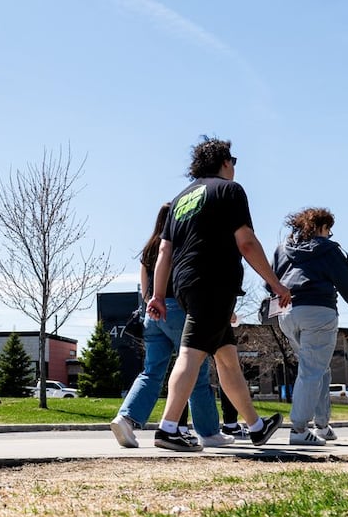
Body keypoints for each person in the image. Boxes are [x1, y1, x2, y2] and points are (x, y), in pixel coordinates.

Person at [147, 136, 289, 451]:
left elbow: (164, 252)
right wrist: (276, 284)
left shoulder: (181, 198)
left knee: (227, 358)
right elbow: (247, 242)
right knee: (190, 354)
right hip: (213, 281)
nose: (234, 168)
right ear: (225, 162)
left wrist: (157, 294)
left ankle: (254, 426)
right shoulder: (229, 190)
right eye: (233, 162)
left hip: (186, 283)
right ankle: (168, 428)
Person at [110, 204, 231, 451]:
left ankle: (126, 418)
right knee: (196, 368)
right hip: (178, 309)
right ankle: (209, 431)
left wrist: (154, 306)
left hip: (153, 313)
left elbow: (146, 291)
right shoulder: (182, 244)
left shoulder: (149, 248)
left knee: (151, 372)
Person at [272, 207, 348, 445]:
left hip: (287, 314)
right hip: (318, 312)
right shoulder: (327, 249)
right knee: (312, 371)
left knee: (319, 369)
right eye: (328, 230)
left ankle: (322, 425)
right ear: (320, 227)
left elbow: (271, 281)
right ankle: (299, 430)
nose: (329, 235)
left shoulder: (282, 250)